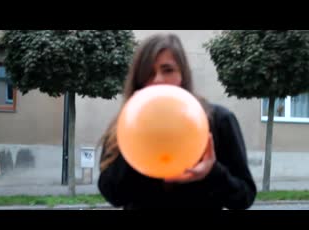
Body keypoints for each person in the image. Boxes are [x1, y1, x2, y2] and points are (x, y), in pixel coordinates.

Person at [97, 33, 257, 209]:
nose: (158, 80)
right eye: (148, 73)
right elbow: (113, 194)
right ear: (138, 80)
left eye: (168, 70)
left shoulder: (219, 120)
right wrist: (134, 146)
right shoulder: (126, 124)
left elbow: (244, 197)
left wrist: (212, 172)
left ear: (183, 76)